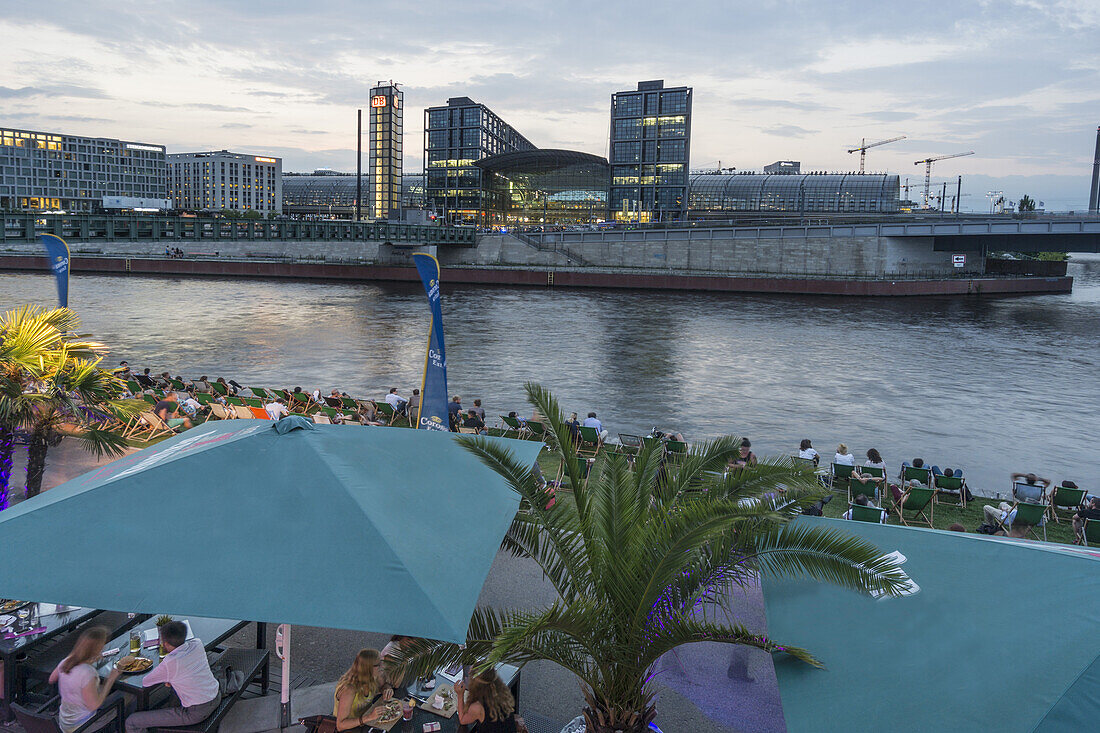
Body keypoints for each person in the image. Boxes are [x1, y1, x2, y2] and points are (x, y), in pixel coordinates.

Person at [125, 621, 221, 733]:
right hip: (216, 695)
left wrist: (167, 677)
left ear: (165, 643)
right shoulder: (197, 643)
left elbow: (145, 682)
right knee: (173, 688)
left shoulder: (170, 663)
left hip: (196, 712)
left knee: (131, 721)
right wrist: (170, 678)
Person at [49, 627, 123, 733]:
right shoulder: (87, 673)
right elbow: (94, 705)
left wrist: (81, 656)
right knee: (126, 696)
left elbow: (52, 679)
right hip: (82, 725)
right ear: (97, 649)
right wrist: (110, 680)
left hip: (65, 721)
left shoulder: (65, 662)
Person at [332, 649, 393, 732]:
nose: (382, 666)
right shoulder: (349, 689)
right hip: (350, 728)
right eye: (378, 664)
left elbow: (384, 685)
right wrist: (369, 717)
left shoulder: (374, 676)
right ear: (367, 668)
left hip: (367, 721)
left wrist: (387, 689)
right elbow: (340, 725)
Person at [455, 668, 518, 732]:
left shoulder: (478, 707)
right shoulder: (501, 691)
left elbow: (462, 720)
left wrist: (460, 695)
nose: (468, 674)